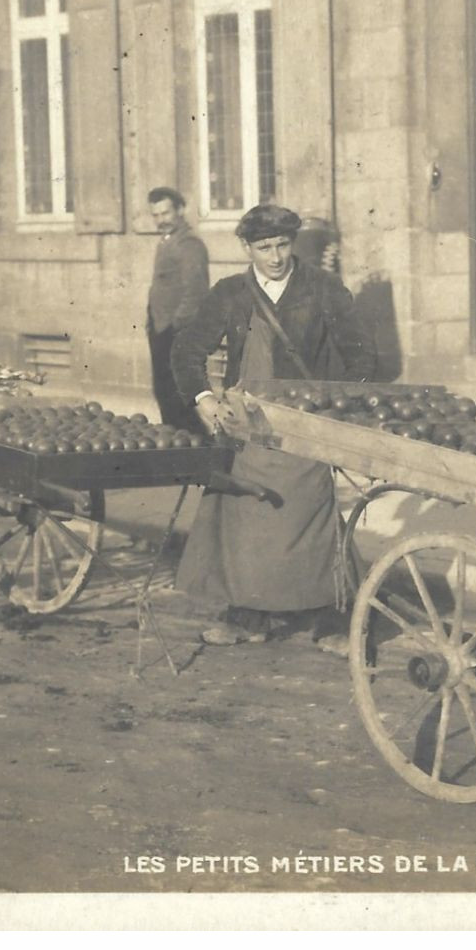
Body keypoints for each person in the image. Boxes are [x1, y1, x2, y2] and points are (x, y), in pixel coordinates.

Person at [170, 203, 377, 647]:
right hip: (248, 432)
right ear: (246, 247)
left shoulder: (323, 289)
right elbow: (186, 351)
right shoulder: (230, 294)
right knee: (246, 521)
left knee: (312, 523)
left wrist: (332, 404)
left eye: (283, 244)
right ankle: (248, 616)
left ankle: (334, 619)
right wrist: (203, 398)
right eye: (264, 247)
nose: (276, 256)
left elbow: (363, 356)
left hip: (305, 428)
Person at [145, 186, 209, 430]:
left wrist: (174, 328)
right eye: (156, 215)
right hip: (161, 329)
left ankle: (194, 447)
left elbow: (196, 293)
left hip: (176, 333)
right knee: (164, 392)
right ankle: (178, 444)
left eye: (166, 213)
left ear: (180, 210)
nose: (161, 220)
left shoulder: (189, 245)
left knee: (178, 396)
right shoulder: (167, 241)